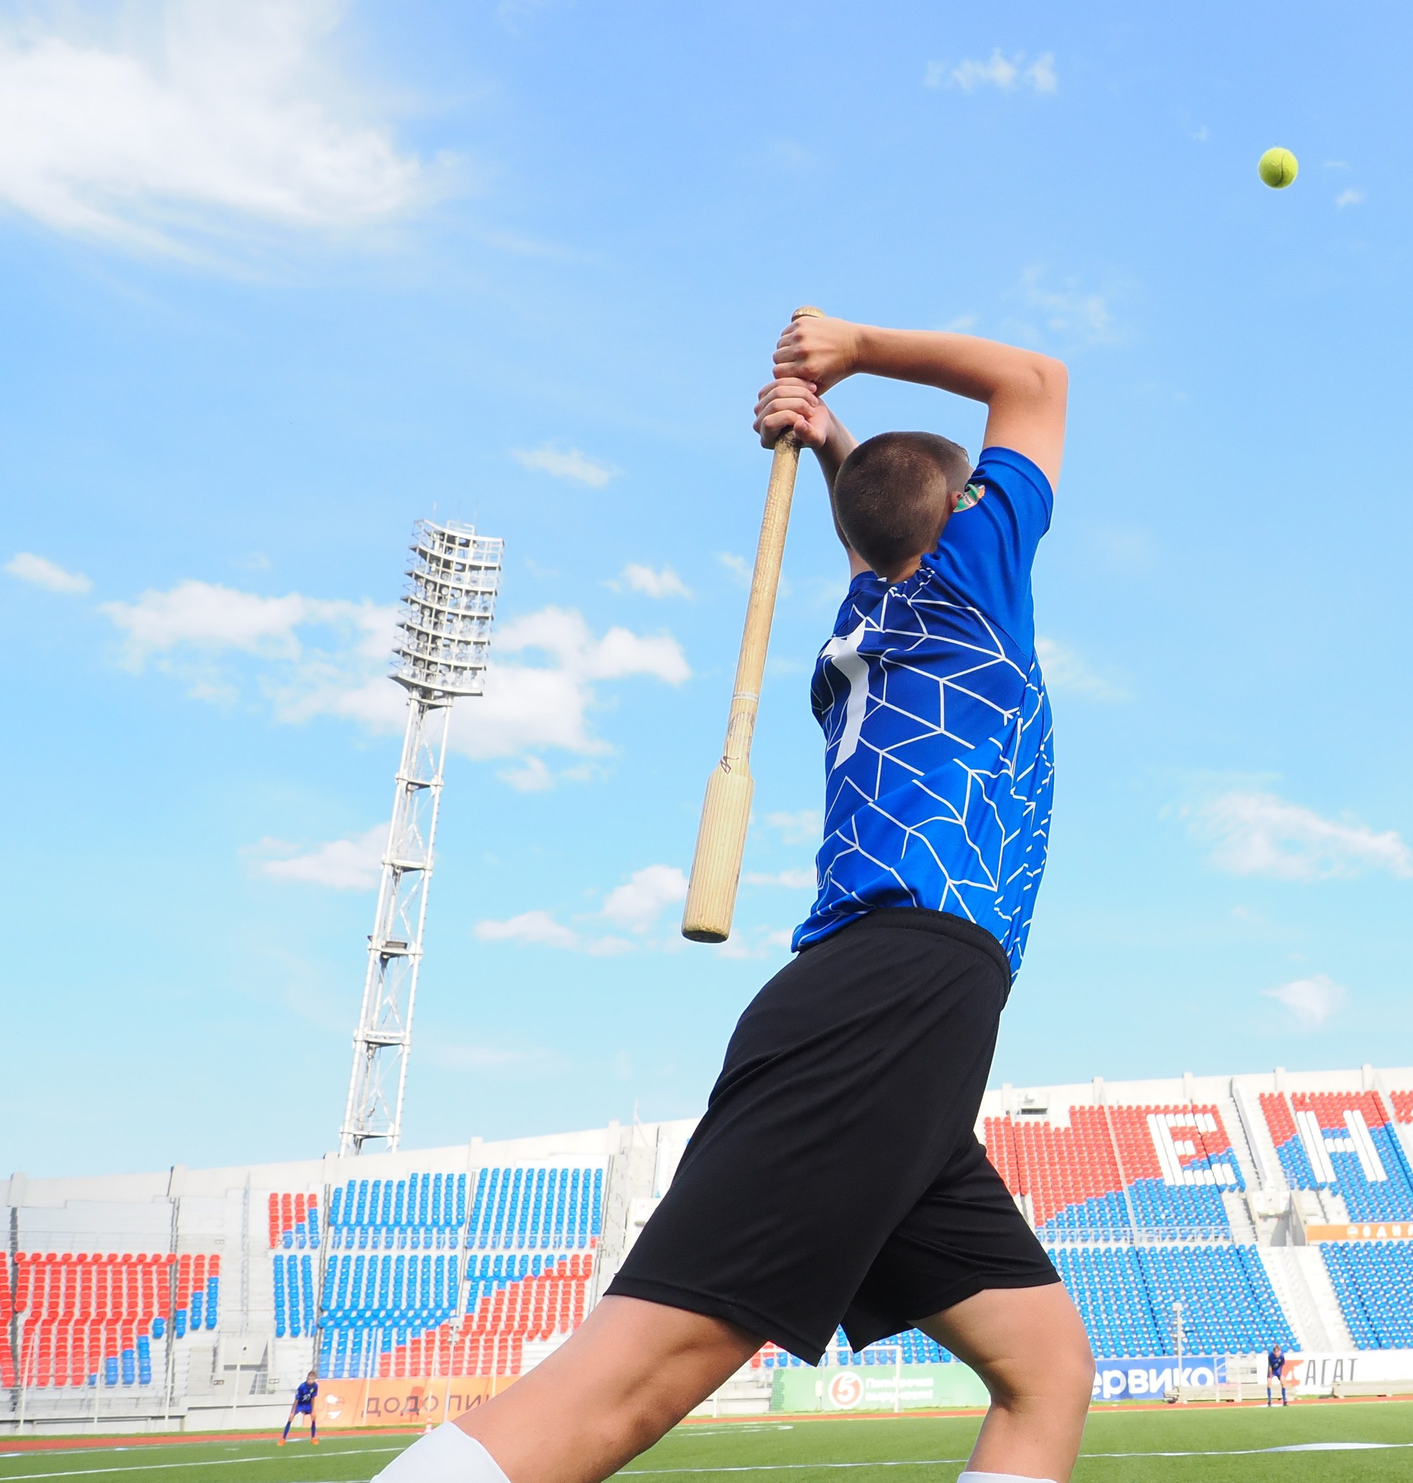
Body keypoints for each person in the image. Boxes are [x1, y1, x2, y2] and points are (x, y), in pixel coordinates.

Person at [375, 317, 1081, 1483]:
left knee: (1043, 1364)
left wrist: (827, 438)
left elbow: (882, 531)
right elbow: (1035, 380)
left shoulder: (866, 625)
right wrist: (854, 347)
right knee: (632, 1383)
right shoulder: (969, 585)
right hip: (891, 1001)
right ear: (964, 521)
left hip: (896, 1012)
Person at [280, 1371, 319, 1444]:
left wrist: (312, 1410)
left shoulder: (315, 1386)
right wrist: (293, 1412)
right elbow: (296, 1399)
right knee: (290, 1419)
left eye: (312, 1379)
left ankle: (313, 1438)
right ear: (307, 1378)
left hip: (308, 1404)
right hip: (300, 1404)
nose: (311, 1381)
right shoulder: (302, 1387)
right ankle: (283, 1439)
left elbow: (313, 1398)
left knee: (313, 1417)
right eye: (309, 1379)